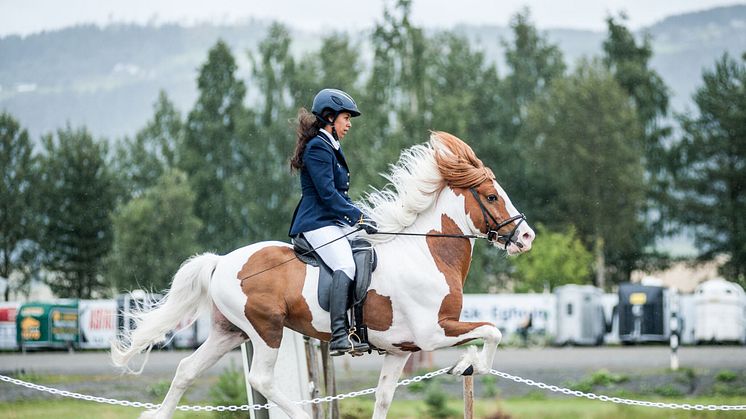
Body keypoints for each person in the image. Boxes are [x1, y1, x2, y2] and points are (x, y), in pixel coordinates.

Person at [288, 88, 377, 356]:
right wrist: (356, 216)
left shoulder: (329, 146)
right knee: (345, 264)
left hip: (332, 220)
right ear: (329, 117)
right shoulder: (318, 147)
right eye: (346, 118)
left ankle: (360, 328)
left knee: (369, 245)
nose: (349, 124)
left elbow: (340, 196)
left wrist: (365, 217)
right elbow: (327, 195)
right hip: (316, 222)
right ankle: (339, 334)